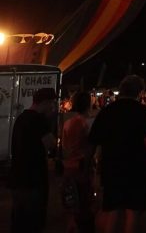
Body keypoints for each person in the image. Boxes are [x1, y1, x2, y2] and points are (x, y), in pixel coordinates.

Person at [89, 75, 146, 233]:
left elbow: (92, 142)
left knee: (113, 211)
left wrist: (89, 167)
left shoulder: (106, 112)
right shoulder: (145, 113)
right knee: (133, 213)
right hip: (138, 168)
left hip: (112, 168)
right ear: (139, 92)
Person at [9, 87, 58, 233]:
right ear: (46, 102)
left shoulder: (21, 118)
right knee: (33, 222)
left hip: (18, 178)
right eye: (52, 103)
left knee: (19, 220)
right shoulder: (39, 120)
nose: (53, 107)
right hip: (33, 180)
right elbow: (51, 144)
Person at [62, 90, 95, 232]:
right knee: (84, 202)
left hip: (69, 165)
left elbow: (64, 145)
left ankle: (72, 225)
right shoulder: (87, 123)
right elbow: (92, 145)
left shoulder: (67, 123)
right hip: (82, 165)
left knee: (71, 199)